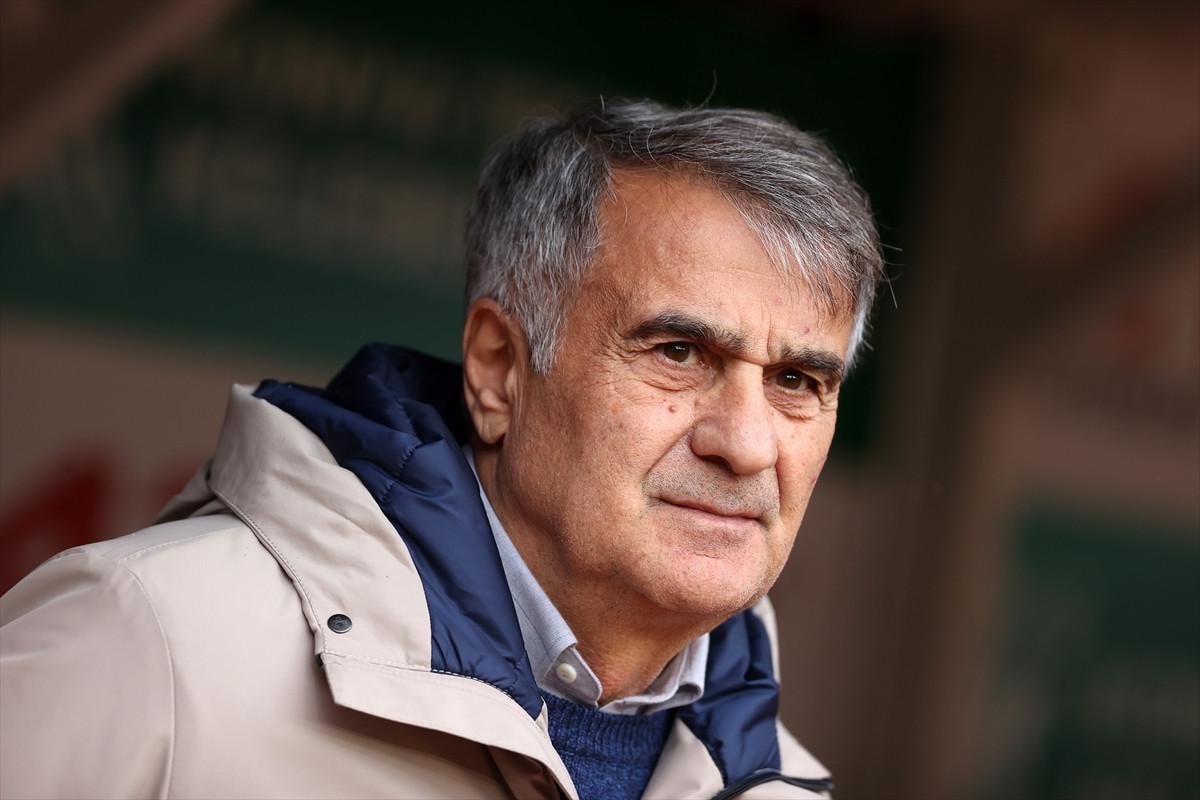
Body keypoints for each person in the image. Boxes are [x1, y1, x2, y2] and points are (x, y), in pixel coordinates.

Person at [0, 100, 881, 799]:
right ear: (499, 370)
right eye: (678, 353)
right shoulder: (150, 642)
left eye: (798, 380)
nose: (747, 444)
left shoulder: (779, 787)